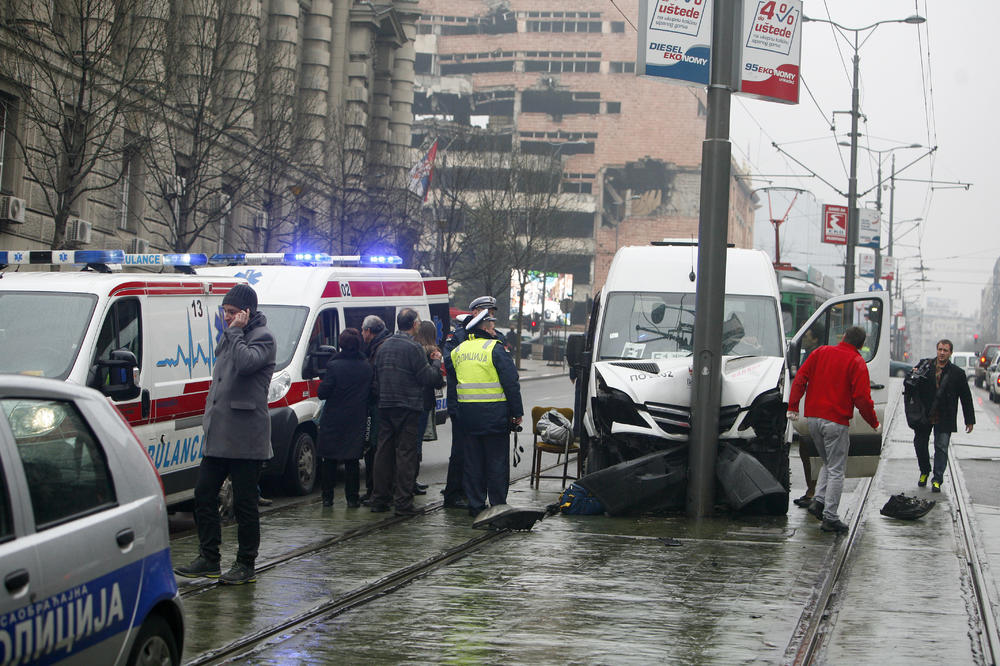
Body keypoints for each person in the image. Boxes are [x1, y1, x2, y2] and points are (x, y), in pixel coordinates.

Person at [175, 284, 276, 584]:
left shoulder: (263, 338)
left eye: (232, 312)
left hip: (246, 437)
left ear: (247, 313)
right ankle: (209, 558)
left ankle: (246, 563)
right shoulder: (232, 336)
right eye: (225, 311)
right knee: (203, 494)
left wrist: (235, 331)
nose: (226, 316)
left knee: (245, 504)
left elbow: (245, 365)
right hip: (219, 435)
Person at [787, 326, 879, 534]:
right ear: (862, 345)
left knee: (828, 462)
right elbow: (862, 399)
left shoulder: (820, 352)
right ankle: (830, 517)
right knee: (837, 469)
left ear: (844, 337)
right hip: (835, 422)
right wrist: (873, 422)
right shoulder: (857, 362)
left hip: (813, 419)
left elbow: (801, 378)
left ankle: (818, 501)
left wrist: (793, 406)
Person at [447, 301, 524, 518]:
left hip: (468, 417)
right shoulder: (495, 349)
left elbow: (451, 374)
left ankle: (475, 504)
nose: (493, 329)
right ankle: (498, 504)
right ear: (484, 327)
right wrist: (517, 412)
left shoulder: (458, 350)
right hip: (494, 416)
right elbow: (511, 383)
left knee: (473, 463)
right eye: (490, 325)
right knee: (496, 462)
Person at [369, 308, 443, 516]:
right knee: (406, 454)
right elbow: (428, 378)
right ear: (414, 325)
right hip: (408, 406)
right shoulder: (414, 348)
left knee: (383, 452)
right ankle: (403, 502)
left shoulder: (384, 346)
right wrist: (437, 361)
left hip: (386, 405)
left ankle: (380, 498)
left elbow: (376, 376)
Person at [316, 328, 373, 508]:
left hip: (334, 418)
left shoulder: (334, 366)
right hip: (356, 419)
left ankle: (327, 498)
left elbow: (322, 392)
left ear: (340, 344)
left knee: (329, 460)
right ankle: (352, 498)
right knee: (352, 460)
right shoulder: (366, 366)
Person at [910, 339, 974, 492]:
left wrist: (969, 420)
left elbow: (966, 397)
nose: (942, 353)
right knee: (920, 445)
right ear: (936, 350)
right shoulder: (925, 365)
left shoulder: (958, 373)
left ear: (950, 353)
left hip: (945, 416)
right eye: (940, 349)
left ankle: (937, 479)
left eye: (945, 350)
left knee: (941, 447)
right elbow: (911, 385)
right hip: (924, 414)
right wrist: (913, 374)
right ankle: (924, 471)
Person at [440, 313, 473, 509]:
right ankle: (453, 493)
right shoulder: (456, 339)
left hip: (471, 404)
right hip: (460, 403)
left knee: (470, 451)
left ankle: (466, 490)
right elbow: (450, 364)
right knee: (460, 451)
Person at [792, 322, 825, 509]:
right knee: (806, 450)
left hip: (814, 411)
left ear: (815, 338)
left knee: (810, 450)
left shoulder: (816, 354)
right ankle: (811, 490)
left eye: (806, 335)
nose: (803, 339)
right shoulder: (808, 353)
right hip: (809, 410)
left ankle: (814, 492)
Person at [360, 315, 391, 503]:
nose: (362, 334)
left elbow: (377, 378)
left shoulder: (379, 348)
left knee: (376, 449)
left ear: (369, 332)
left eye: (363, 330)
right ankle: (377, 490)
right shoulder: (379, 345)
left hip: (378, 405)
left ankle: (377, 491)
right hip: (382, 403)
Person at [412, 320, 445, 494]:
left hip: (410, 401)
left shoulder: (413, 349)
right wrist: (437, 364)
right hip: (424, 402)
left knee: (409, 442)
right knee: (416, 443)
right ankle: (412, 480)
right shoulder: (433, 352)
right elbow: (437, 380)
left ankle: (408, 480)